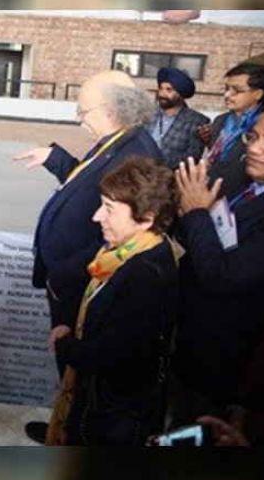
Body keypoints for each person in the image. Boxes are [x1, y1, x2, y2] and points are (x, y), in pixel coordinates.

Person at [43, 157, 179, 445]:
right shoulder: (126, 253)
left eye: (109, 209)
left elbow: (111, 355)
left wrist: (65, 345)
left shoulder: (144, 275)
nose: (96, 217)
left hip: (111, 418)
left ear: (147, 218)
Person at [172, 102, 264, 425]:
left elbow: (222, 276)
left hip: (222, 363)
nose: (255, 149)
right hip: (191, 343)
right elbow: (208, 238)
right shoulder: (248, 186)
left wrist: (196, 212)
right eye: (252, 137)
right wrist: (190, 211)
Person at [197, 63, 264, 200]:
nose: (227, 95)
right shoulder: (220, 121)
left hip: (247, 200)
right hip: (212, 195)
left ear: (258, 94)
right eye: (227, 89)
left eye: (237, 90)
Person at [144, 67, 209, 168]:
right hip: (140, 177)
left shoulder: (197, 121)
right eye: (160, 88)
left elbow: (192, 158)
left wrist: (156, 165)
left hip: (171, 180)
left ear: (181, 94)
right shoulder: (147, 114)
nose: (162, 94)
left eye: (169, 90)